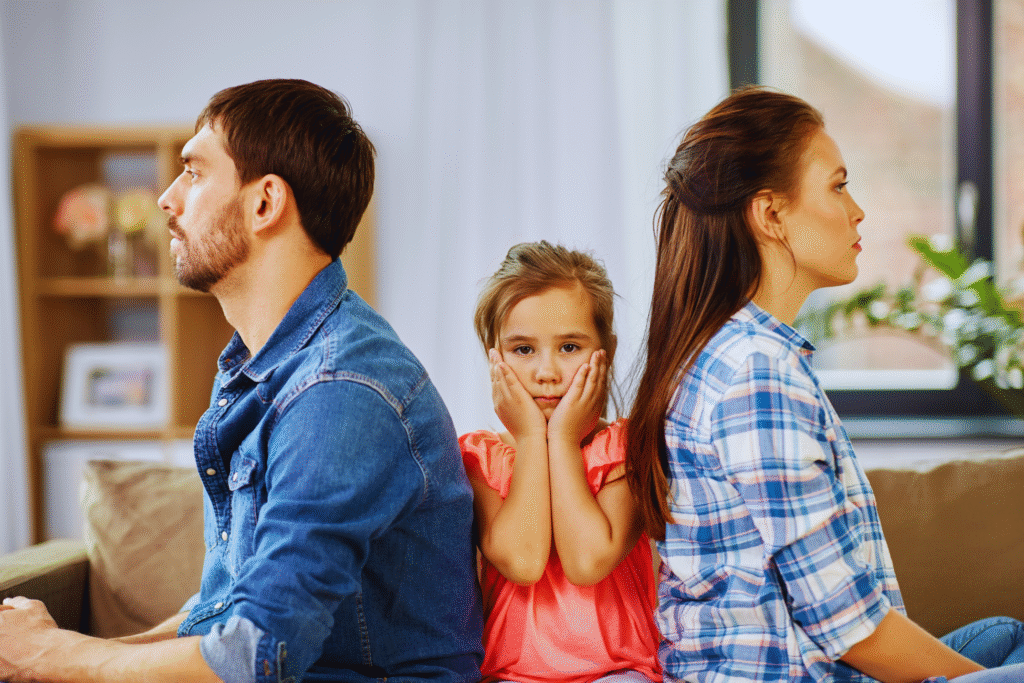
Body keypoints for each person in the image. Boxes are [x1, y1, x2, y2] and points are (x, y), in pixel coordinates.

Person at [0, 79, 484, 683]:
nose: (166, 200)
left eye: (195, 173)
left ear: (265, 204)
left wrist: (55, 655)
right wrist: (55, 654)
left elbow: (258, 653)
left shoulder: (338, 392)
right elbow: (223, 616)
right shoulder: (261, 371)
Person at [624, 86, 1024, 683]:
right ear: (770, 215)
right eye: (838, 185)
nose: (857, 209)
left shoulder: (730, 353)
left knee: (1007, 638)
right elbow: (851, 629)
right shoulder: (756, 376)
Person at [460, 241, 662, 683]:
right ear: (493, 356)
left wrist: (564, 442)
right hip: (511, 676)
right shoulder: (480, 459)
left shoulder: (624, 450)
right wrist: (534, 438)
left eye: (569, 347)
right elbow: (524, 559)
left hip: (618, 672)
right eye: (523, 349)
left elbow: (587, 560)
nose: (546, 372)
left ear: (605, 351)